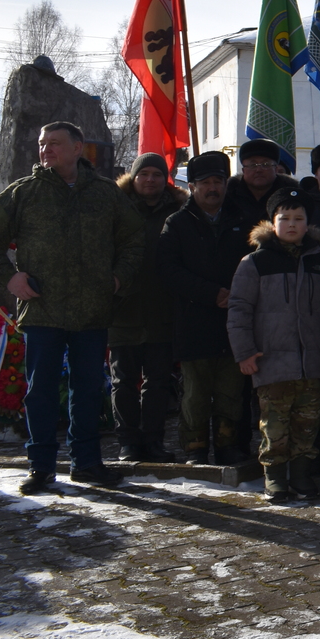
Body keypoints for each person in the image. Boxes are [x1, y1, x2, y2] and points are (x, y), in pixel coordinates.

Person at [0, 121, 145, 494]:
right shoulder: (25, 193)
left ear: (78, 148)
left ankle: (86, 463)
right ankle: (41, 466)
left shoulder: (104, 194)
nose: (46, 149)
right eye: (42, 143)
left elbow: (135, 239)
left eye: (55, 143)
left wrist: (119, 278)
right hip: (43, 311)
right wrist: (10, 278)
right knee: (41, 391)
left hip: (92, 311)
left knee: (86, 391)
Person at [226, 185, 320, 503]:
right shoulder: (254, 263)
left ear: (308, 224)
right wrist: (245, 352)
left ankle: (301, 474)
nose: (291, 224)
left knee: (307, 423)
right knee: (274, 425)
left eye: (298, 218)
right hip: (271, 361)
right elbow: (239, 310)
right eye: (284, 217)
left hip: (312, 362)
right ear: (272, 222)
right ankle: (275, 477)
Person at [159, 151, 253, 466]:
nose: (212, 188)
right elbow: (168, 272)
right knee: (195, 394)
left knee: (230, 391)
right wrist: (211, 293)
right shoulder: (177, 223)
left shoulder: (243, 220)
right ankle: (195, 448)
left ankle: (227, 446)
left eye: (218, 182)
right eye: (205, 183)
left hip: (235, 322)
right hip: (193, 320)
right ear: (193, 186)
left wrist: (236, 294)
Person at [109, 153, 186, 463]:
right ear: (134, 177)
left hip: (162, 310)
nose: (150, 180)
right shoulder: (116, 209)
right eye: (144, 174)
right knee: (123, 381)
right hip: (123, 309)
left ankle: (153, 440)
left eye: (156, 174)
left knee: (158, 382)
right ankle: (127, 441)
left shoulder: (179, 210)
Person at [222, 138, 295, 235]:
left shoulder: (291, 197)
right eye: (253, 165)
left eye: (265, 164)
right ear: (243, 170)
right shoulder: (227, 197)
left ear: (276, 168)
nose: (259, 170)